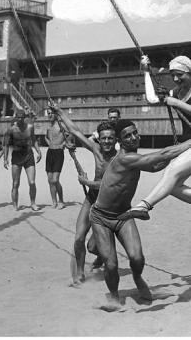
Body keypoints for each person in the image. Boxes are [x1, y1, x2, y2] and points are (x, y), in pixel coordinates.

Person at [89, 119, 191, 311]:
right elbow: (162, 154)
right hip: (101, 217)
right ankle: (113, 297)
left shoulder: (134, 157)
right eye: (127, 136)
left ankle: (138, 280)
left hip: (122, 215)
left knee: (137, 258)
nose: (133, 137)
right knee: (111, 264)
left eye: (135, 133)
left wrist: (172, 158)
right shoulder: (123, 158)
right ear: (120, 140)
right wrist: (183, 146)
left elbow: (154, 165)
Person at [51, 105, 117, 285]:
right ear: (99, 139)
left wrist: (87, 182)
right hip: (91, 199)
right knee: (79, 238)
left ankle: (102, 256)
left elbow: (108, 185)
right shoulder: (96, 150)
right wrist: (60, 113)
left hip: (107, 205)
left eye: (110, 138)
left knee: (93, 247)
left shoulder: (119, 159)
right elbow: (75, 131)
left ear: (115, 139)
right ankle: (79, 272)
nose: (107, 142)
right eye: (103, 138)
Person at [120, 55, 191, 221]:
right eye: (172, 74)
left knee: (171, 173)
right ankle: (143, 206)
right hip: (187, 144)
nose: (175, 78)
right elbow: (152, 99)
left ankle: (143, 206)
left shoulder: (177, 97)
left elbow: (172, 102)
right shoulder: (178, 92)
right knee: (170, 186)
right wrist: (146, 72)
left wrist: (176, 103)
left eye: (180, 74)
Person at [4, 109, 42, 211]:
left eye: (22, 117)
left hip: (29, 155)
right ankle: (15, 205)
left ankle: (33, 203)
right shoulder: (11, 130)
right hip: (16, 157)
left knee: (32, 182)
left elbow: (34, 140)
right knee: (15, 183)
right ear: (16, 117)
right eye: (18, 117)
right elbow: (6, 145)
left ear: (25, 118)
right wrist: (5, 159)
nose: (20, 119)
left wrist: (39, 151)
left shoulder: (30, 127)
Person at [44, 108, 75, 209]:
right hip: (50, 152)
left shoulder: (61, 125)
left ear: (56, 114)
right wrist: (49, 143)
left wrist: (65, 144)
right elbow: (46, 137)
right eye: (48, 114)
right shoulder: (49, 127)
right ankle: (54, 201)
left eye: (51, 113)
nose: (49, 115)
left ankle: (61, 201)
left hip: (58, 153)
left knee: (55, 179)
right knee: (49, 179)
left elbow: (71, 133)